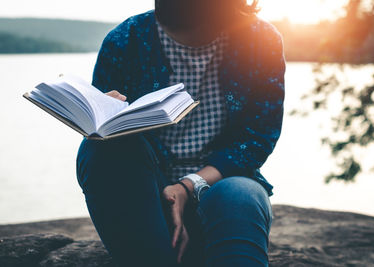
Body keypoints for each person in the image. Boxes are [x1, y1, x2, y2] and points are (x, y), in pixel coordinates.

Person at [76, 0, 285, 266]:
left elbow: (257, 138)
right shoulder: (125, 40)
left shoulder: (260, 39)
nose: (189, 46)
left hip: (225, 181)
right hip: (147, 191)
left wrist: (187, 187)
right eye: (176, 37)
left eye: (201, 36)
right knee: (98, 151)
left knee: (240, 197)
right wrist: (104, 111)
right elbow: (105, 148)